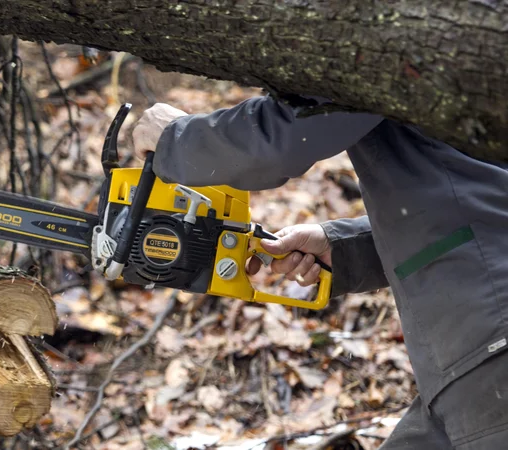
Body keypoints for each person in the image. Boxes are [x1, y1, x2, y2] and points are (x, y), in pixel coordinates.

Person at [129, 96, 508, 449]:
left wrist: (178, 139)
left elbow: (291, 132)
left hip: (489, 338)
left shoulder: (396, 35)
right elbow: (483, 202)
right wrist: (345, 247)